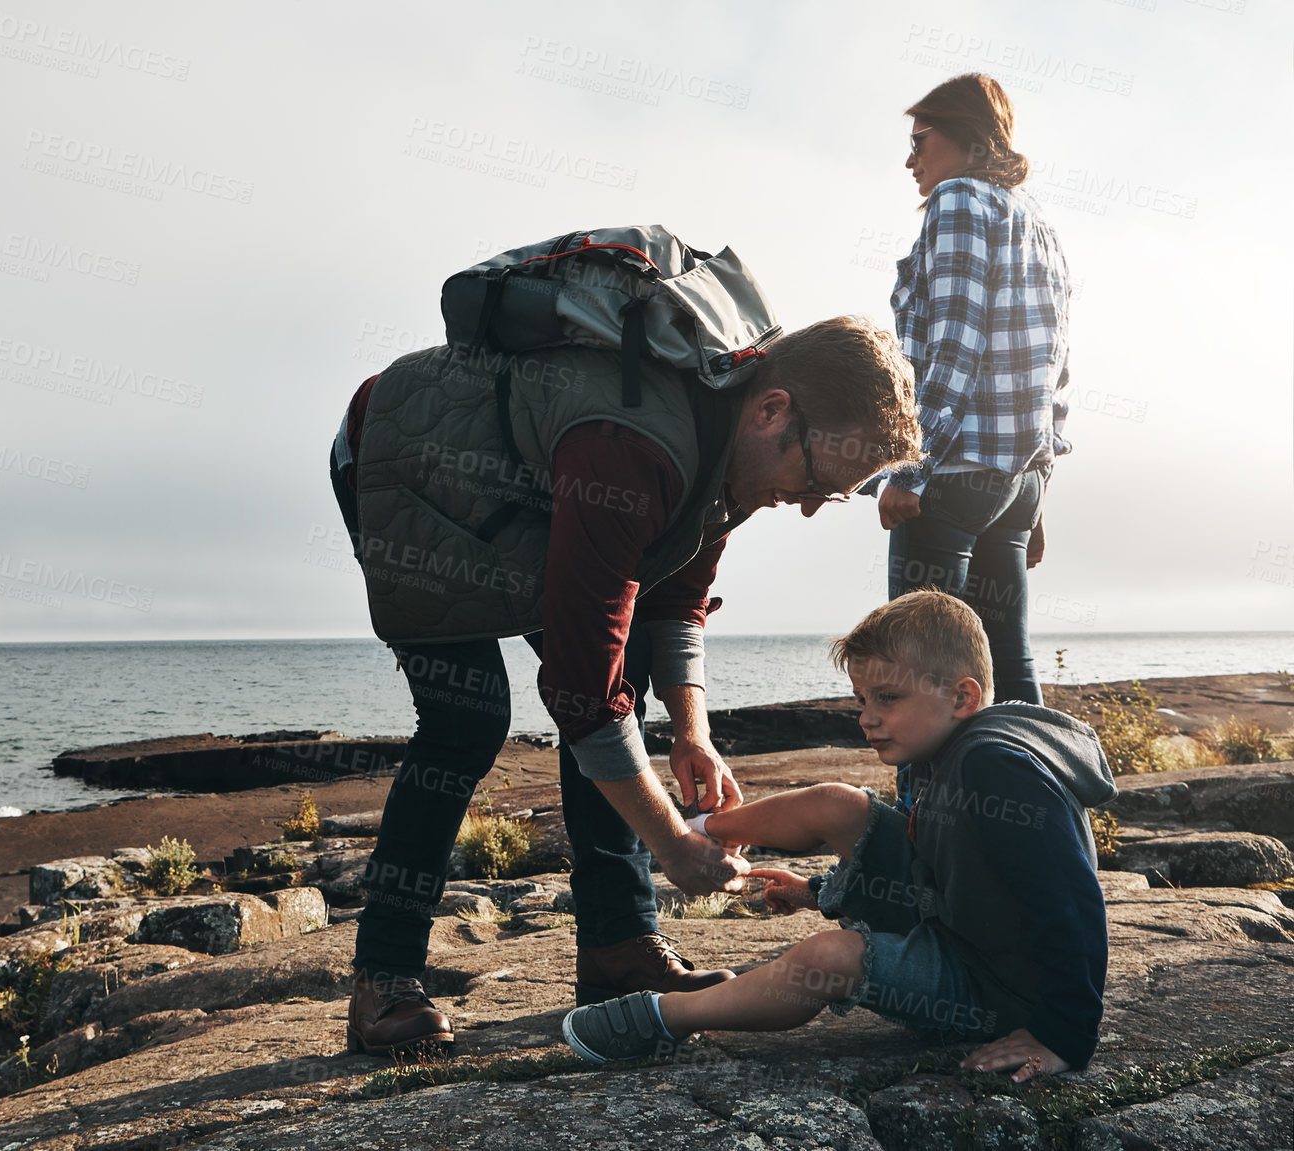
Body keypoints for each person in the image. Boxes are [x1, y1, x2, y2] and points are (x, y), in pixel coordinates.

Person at [330, 314, 925, 1054]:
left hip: (529, 496)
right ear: (773, 410)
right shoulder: (633, 446)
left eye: (832, 496)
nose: (806, 504)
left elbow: (674, 596)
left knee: (625, 666)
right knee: (467, 718)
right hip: (404, 464)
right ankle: (381, 976)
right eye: (816, 479)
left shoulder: (732, 438)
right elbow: (580, 684)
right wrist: (670, 840)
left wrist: (692, 729)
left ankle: (617, 947)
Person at [562, 590, 1114, 1081]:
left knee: (831, 956)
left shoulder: (998, 767)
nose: (866, 719)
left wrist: (1064, 1034)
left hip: (997, 989)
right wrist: (818, 890)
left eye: (887, 698)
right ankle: (697, 832)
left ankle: (664, 1018)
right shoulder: (947, 749)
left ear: (963, 698)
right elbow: (938, 868)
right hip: (961, 928)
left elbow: (1072, 900)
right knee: (838, 803)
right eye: (861, 700)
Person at [876, 73, 1074, 704]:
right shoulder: (1038, 223)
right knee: (1007, 667)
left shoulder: (959, 200)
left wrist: (910, 466)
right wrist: (1038, 490)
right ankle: (1042, 796)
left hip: (956, 472)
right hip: (1016, 481)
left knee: (916, 670)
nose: (910, 158)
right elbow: (1058, 368)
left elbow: (957, 344)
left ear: (961, 135)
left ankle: (929, 806)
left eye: (919, 139)